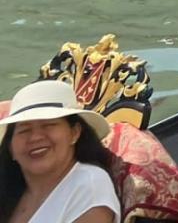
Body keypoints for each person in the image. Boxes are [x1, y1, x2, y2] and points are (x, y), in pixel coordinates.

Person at [0, 79, 118, 223]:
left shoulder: (90, 188)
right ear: (11, 148)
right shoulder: (9, 189)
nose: (35, 137)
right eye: (24, 130)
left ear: (74, 133)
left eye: (48, 125)